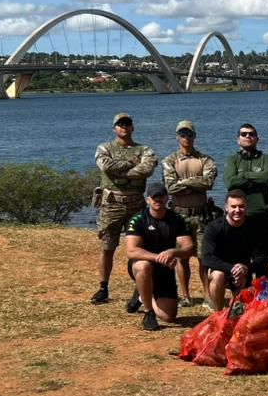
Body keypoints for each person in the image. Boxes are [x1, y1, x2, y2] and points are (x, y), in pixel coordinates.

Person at [91, 112, 157, 306]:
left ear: (133, 127)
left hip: (136, 203)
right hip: (111, 204)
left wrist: (122, 171)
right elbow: (106, 166)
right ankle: (103, 287)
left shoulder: (144, 149)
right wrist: (132, 167)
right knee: (107, 246)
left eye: (127, 124)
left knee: (139, 247)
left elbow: (148, 168)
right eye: (120, 124)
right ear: (114, 128)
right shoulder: (104, 148)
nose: (124, 127)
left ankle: (140, 288)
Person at [124, 182, 194, 331]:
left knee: (169, 317)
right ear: (147, 200)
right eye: (154, 197)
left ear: (167, 198)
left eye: (161, 196)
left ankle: (143, 296)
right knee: (144, 266)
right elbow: (131, 251)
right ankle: (149, 313)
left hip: (165, 270)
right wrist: (158, 257)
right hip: (141, 266)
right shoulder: (138, 219)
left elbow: (188, 247)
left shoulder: (176, 219)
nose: (158, 200)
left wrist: (173, 252)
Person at [161, 119, 217, 306]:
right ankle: (185, 296)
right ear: (177, 137)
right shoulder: (169, 160)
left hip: (202, 215)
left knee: (203, 257)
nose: (186, 138)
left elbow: (208, 182)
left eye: (190, 134)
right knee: (181, 258)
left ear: (195, 136)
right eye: (183, 134)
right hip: (179, 216)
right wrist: (195, 183)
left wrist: (183, 183)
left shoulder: (205, 160)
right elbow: (171, 187)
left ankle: (208, 295)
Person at [222, 123, 268, 277]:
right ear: (238, 139)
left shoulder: (266, 159)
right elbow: (230, 182)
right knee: (242, 257)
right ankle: (245, 292)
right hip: (241, 216)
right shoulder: (232, 160)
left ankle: (264, 294)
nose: (247, 137)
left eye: (251, 134)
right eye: (244, 134)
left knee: (261, 258)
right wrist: (256, 178)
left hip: (264, 216)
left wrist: (243, 176)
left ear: (257, 138)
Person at [202, 190, 256, 310]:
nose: (237, 210)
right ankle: (218, 314)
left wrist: (246, 269)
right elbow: (207, 258)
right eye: (233, 206)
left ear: (246, 207)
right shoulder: (214, 227)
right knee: (217, 276)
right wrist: (232, 268)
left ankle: (238, 304)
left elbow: (261, 257)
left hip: (243, 273)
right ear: (226, 207)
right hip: (222, 270)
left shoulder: (253, 227)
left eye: (241, 206)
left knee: (241, 314)